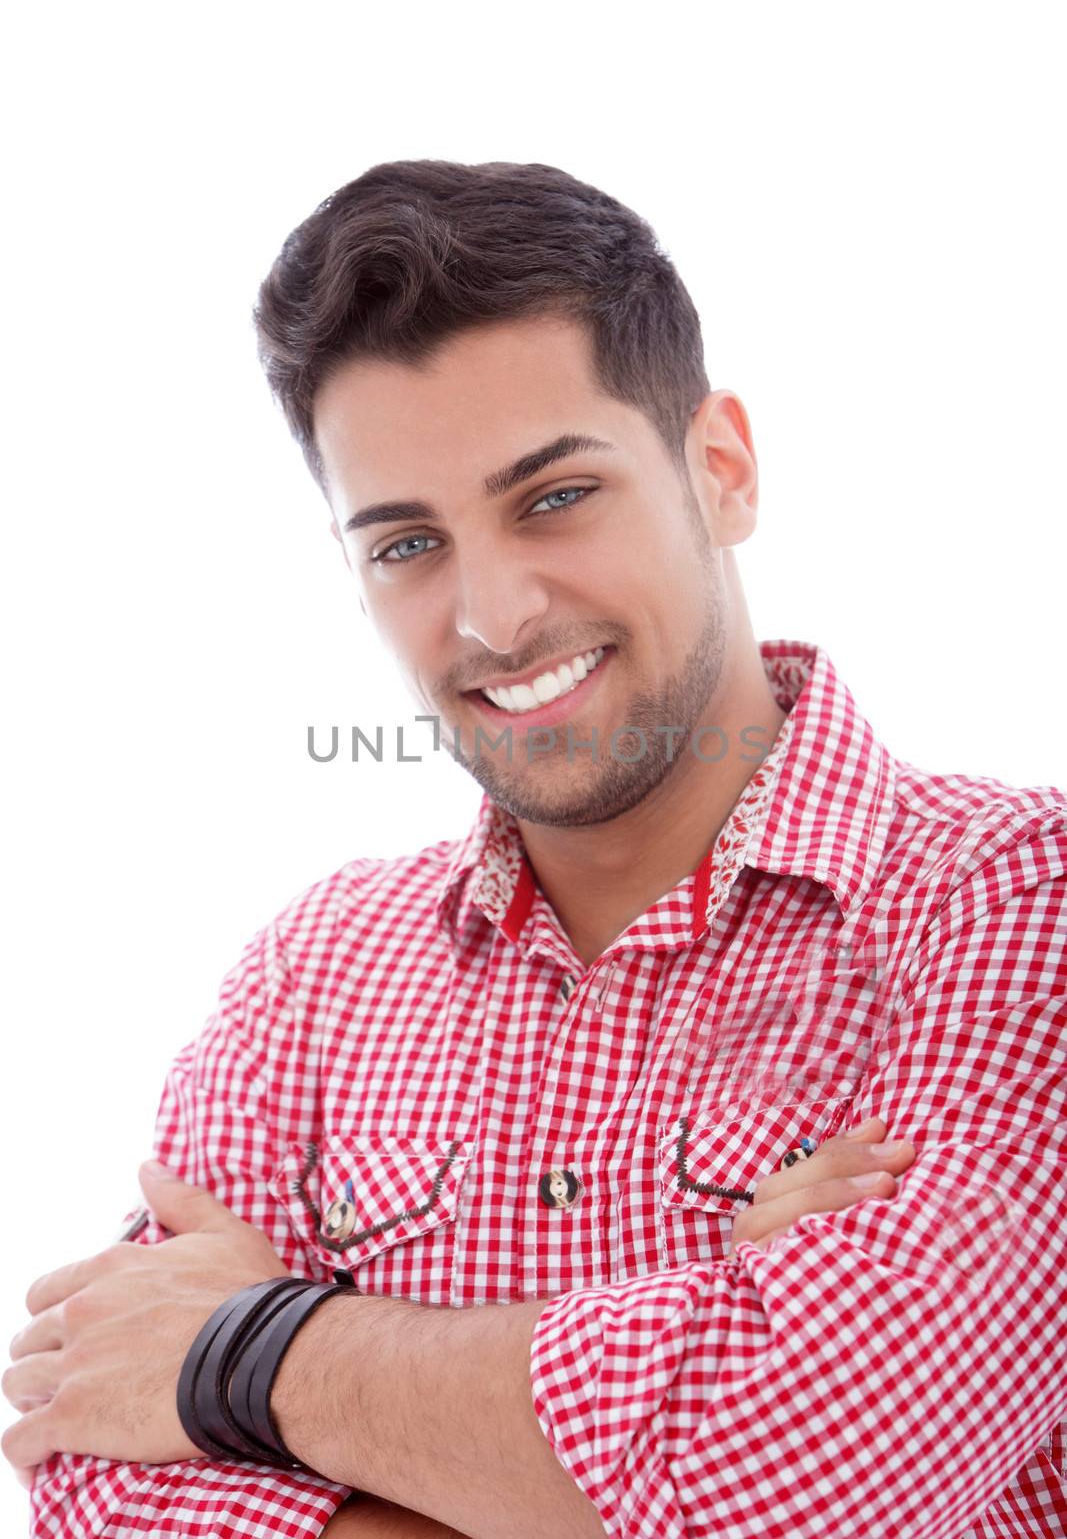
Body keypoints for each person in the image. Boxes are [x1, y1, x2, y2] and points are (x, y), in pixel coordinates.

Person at [4, 160, 1065, 1539]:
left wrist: (251, 1353)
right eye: (405, 545)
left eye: (555, 497)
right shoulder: (312, 980)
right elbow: (95, 1451)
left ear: (722, 470)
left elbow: (806, 1472)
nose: (494, 616)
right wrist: (683, 1366)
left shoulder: (1017, 907)